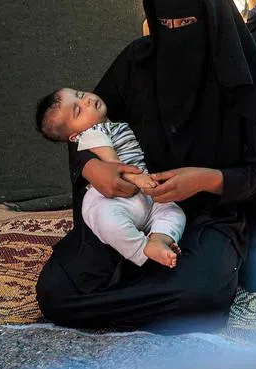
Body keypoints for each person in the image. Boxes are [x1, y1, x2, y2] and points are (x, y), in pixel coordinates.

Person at [35, 0, 256, 332]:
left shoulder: (243, 82)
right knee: (55, 293)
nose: (174, 33)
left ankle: (150, 295)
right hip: (134, 204)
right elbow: (85, 123)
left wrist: (205, 180)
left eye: (186, 24)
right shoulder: (137, 63)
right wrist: (94, 168)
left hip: (211, 215)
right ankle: (160, 297)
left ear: (214, 21)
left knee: (203, 291)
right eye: (165, 24)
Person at [35, 87, 185, 268]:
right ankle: (140, 249)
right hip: (115, 197)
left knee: (173, 211)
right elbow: (114, 165)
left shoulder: (114, 126)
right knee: (106, 219)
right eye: (78, 110)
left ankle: (158, 240)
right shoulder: (92, 134)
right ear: (74, 137)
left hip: (142, 194)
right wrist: (138, 179)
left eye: (80, 94)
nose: (86, 101)